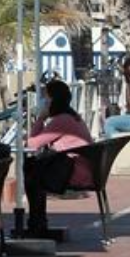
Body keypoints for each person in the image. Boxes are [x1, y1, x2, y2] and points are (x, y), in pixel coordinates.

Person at [23, 79, 94, 234]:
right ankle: (37, 223)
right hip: (78, 168)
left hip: (74, 172)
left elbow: (32, 144)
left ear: (53, 99)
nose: (43, 101)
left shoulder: (62, 120)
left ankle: (37, 225)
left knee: (30, 173)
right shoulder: (71, 116)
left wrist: (40, 118)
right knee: (32, 169)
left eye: (45, 97)